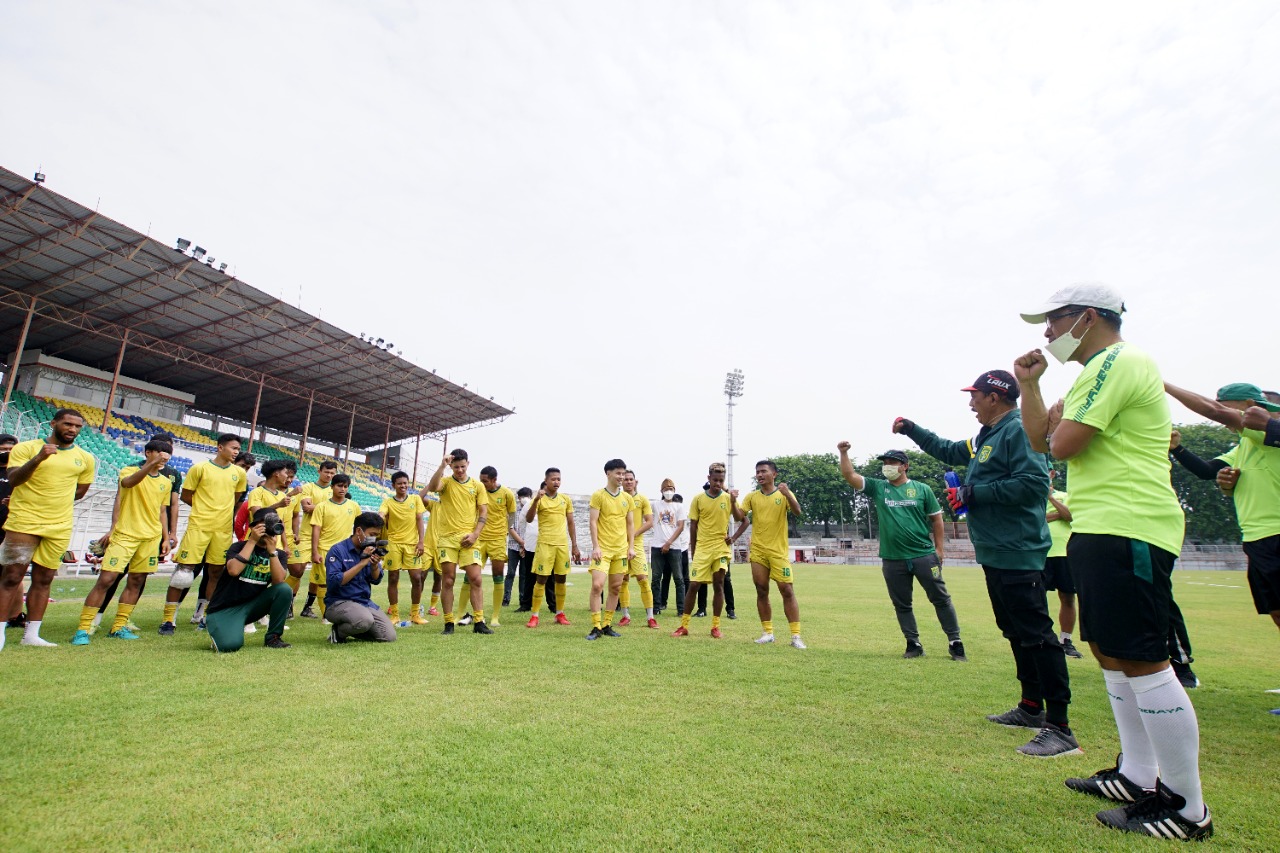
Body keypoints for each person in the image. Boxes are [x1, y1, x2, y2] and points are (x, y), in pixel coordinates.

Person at [1017, 283, 1211, 839]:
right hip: (1100, 524)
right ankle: (1136, 773)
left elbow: (1062, 444)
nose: (1047, 332)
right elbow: (1039, 438)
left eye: (1053, 321)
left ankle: (1186, 807)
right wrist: (1031, 386)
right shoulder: (1090, 373)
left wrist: (1054, 423)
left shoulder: (1118, 361)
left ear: (1087, 318)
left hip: (1129, 525)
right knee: (1110, 651)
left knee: (1143, 659)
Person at [896, 369, 1078, 758]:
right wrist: (912, 429)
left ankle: (1060, 727)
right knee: (1014, 630)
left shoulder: (1018, 430)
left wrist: (971, 492)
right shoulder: (986, 436)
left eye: (975, 395)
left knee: (1037, 634)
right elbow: (948, 449)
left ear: (995, 397)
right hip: (996, 550)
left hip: (1018, 548)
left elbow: (1032, 485)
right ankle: (1031, 707)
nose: (971, 402)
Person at [1164, 382, 1280, 644]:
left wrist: (1162, 384)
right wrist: (1177, 449)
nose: (1224, 418)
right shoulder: (1242, 447)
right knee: (1276, 612)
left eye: (1229, 409)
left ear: (1251, 408)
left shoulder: (1262, 434)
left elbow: (1212, 411)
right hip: (1255, 538)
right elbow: (1206, 471)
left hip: (1276, 534)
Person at [837, 445, 964, 660]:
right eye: (885, 463)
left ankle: (955, 642)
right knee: (902, 604)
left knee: (941, 599)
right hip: (893, 558)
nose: (887, 467)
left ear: (905, 466)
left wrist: (940, 550)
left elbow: (937, 519)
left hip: (924, 555)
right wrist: (843, 453)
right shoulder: (879, 487)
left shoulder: (922, 489)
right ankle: (913, 643)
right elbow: (849, 475)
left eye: (892, 463)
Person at [0, 409, 96, 649]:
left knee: (44, 579)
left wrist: (53, 500)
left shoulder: (85, 458)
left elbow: (80, 492)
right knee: (12, 577)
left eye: (77, 426)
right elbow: (14, 479)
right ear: (53, 423)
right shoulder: (27, 448)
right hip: (24, 521)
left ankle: (32, 634)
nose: (72, 429)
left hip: (59, 525)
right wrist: (38, 459)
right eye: (67, 424)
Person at [71, 439, 174, 644]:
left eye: (167, 453)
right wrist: (150, 465)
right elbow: (128, 484)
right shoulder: (128, 471)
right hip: (125, 535)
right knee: (106, 580)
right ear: (147, 453)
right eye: (159, 452)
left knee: (136, 581)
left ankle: (119, 626)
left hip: (150, 538)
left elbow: (162, 511)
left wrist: (165, 538)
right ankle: (83, 628)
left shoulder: (166, 482)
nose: (164, 456)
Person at [158, 433, 246, 635]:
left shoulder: (238, 474)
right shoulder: (200, 468)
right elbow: (187, 495)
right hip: (199, 526)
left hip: (223, 530)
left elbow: (236, 499)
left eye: (238, 450)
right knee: (184, 572)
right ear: (220, 447)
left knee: (216, 573)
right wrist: (205, 510)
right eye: (233, 448)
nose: (235, 452)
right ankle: (168, 620)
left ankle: (206, 617)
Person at [733, 460, 805, 648]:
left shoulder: (783, 494)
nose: (760, 475)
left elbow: (797, 512)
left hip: (778, 551)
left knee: (787, 590)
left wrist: (787, 493)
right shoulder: (752, 497)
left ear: (774, 474)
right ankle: (767, 632)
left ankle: (796, 636)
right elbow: (737, 517)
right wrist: (733, 501)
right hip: (758, 550)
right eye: (757, 472)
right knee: (761, 590)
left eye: (763, 471)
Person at [204, 507, 292, 652]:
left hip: (251, 607)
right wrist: (252, 541)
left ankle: (273, 638)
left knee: (284, 589)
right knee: (229, 646)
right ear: (253, 526)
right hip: (224, 609)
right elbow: (233, 571)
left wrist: (272, 552)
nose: (268, 529)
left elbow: (278, 582)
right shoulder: (237, 547)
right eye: (264, 525)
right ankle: (220, 632)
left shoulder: (278, 555)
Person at [671, 463, 743, 639]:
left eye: (721, 480)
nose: (718, 483)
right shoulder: (698, 499)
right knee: (694, 585)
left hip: (720, 548)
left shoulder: (728, 498)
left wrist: (732, 538)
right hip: (702, 547)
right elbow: (693, 526)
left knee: (719, 584)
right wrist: (693, 550)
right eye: (715, 479)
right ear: (709, 478)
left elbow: (741, 518)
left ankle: (715, 626)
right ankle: (684, 625)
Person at [425, 449, 491, 635]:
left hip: (469, 538)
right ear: (451, 466)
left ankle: (479, 621)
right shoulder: (445, 482)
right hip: (447, 539)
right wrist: (442, 466)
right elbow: (431, 487)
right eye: (456, 467)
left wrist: (475, 534)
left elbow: (483, 512)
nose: (460, 470)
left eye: (462, 466)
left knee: (476, 578)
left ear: (468, 464)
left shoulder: (477, 486)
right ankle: (448, 623)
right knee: (448, 580)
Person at [243, 460, 301, 625]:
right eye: (284, 473)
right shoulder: (258, 492)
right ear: (276, 473)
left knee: (273, 580)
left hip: (277, 544)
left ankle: (262, 614)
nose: (287, 477)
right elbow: (258, 515)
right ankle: (248, 619)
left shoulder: (283, 495)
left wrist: (286, 545)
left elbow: (280, 524)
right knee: (254, 578)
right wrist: (278, 505)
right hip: (258, 541)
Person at [325, 512, 396, 644]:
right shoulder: (338, 550)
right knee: (364, 621)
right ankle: (339, 632)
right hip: (339, 602)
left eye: (376, 535)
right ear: (359, 531)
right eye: (372, 534)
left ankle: (350, 628)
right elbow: (335, 582)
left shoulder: (371, 549)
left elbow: (376, 580)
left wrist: (374, 566)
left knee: (389, 636)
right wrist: (362, 563)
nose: (374, 539)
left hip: (363, 602)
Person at [585, 459, 635, 640]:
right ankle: (596, 626)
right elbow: (593, 522)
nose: (621, 477)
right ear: (608, 473)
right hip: (603, 550)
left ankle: (607, 624)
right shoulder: (598, 495)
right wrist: (596, 546)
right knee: (597, 585)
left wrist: (631, 547)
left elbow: (630, 524)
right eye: (618, 473)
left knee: (615, 588)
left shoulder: (627, 499)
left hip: (620, 550)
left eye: (623, 473)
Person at [525, 468, 580, 628]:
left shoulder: (565, 499)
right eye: (553, 479)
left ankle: (559, 613)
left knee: (561, 579)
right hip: (545, 545)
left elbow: (571, 523)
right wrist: (535, 500)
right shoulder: (540, 499)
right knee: (541, 579)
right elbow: (529, 519)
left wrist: (574, 546)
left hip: (562, 545)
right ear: (546, 481)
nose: (557, 482)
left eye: (559, 479)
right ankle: (534, 615)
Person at [379, 471, 427, 628]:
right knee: (393, 578)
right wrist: (379, 517)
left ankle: (415, 615)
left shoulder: (415, 499)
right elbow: (381, 514)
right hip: (393, 544)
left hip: (412, 545)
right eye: (399, 483)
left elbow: (419, 520)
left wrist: (421, 542)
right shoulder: (387, 502)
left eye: (405, 483)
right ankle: (394, 615)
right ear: (393, 485)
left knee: (417, 578)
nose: (403, 486)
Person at [1043, 470, 1082, 659]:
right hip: (1040, 553)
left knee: (1068, 598)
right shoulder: (1031, 496)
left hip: (1065, 553)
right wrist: (1058, 514)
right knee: (1036, 598)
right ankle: (1042, 637)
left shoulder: (1065, 496)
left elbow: (1071, 516)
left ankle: (1065, 640)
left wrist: (1051, 499)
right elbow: (1034, 519)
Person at [310, 474, 358, 620]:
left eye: (345, 486)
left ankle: (344, 612)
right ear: (332, 487)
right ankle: (326, 615)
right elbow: (316, 529)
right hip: (325, 549)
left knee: (345, 583)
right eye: (339, 485)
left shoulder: (353, 506)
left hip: (346, 552)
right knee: (324, 584)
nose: (342, 489)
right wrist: (314, 551)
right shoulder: (322, 506)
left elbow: (359, 528)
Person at [475, 466, 517, 627]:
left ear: (494, 480)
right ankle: (469, 614)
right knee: (472, 576)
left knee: (498, 575)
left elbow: (512, 514)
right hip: (479, 539)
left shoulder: (506, 493)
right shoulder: (479, 491)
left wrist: (506, 529)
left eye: (484, 481)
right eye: (481, 480)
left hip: (498, 540)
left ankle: (495, 616)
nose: (482, 483)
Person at [297, 460, 337, 618]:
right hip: (306, 535)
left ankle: (307, 607)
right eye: (327, 472)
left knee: (319, 575)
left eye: (332, 473)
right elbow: (306, 508)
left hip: (326, 538)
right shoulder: (308, 487)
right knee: (297, 570)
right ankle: (287, 603)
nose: (329, 475)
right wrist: (328, 506)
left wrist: (318, 506)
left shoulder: (335, 489)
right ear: (319, 471)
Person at [618, 470, 657, 627]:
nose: (628, 482)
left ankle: (650, 617)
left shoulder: (642, 499)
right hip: (620, 545)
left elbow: (649, 521)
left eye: (630, 479)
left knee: (643, 579)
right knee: (623, 580)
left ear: (635, 482)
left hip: (637, 545)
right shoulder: (618, 498)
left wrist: (633, 535)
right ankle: (625, 615)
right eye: (625, 479)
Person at [650, 479, 686, 616]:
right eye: (666, 488)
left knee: (679, 579)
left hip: (674, 546)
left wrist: (669, 543)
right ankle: (656, 607)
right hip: (656, 546)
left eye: (671, 488)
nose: (668, 491)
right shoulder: (655, 505)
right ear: (661, 491)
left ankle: (681, 609)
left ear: (675, 490)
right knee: (656, 578)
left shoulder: (679, 507)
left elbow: (680, 526)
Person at [505, 487, 534, 611]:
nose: (524, 499)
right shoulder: (513, 511)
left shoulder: (533, 510)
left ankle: (523, 600)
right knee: (510, 573)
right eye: (522, 497)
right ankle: (506, 599)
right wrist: (521, 542)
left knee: (524, 575)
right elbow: (510, 528)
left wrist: (525, 544)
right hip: (513, 546)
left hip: (528, 547)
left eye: (526, 496)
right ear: (518, 498)